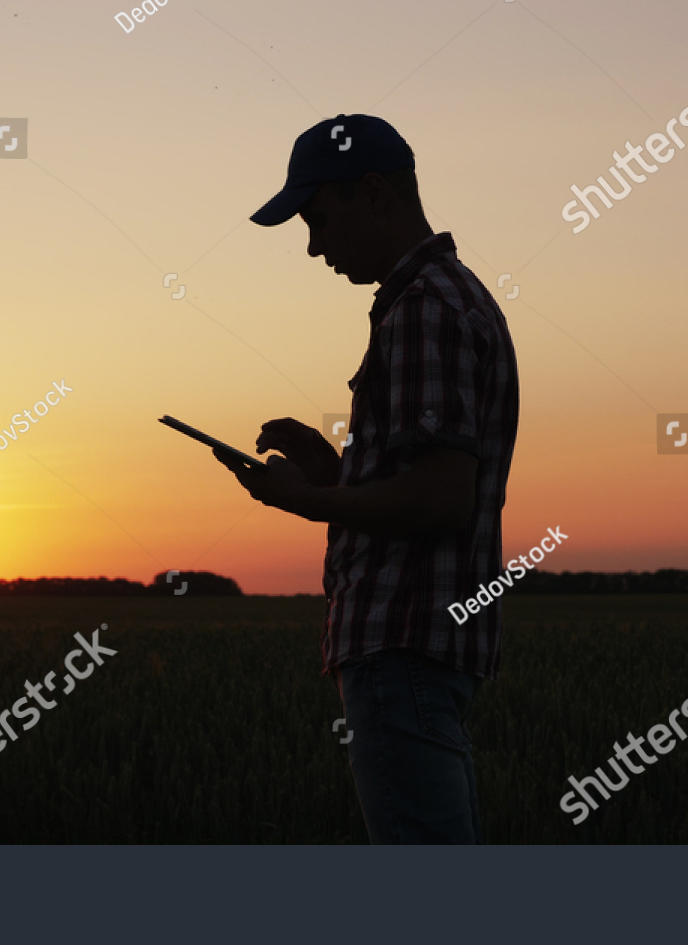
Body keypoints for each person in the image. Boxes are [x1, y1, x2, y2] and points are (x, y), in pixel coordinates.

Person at [214, 114, 520, 844]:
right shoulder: (450, 297)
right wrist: (337, 468)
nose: (315, 246)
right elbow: (427, 476)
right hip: (421, 645)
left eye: (318, 219)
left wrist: (313, 500)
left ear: (374, 192)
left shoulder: (423, 309)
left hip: (400, 641)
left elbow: (442, 499)